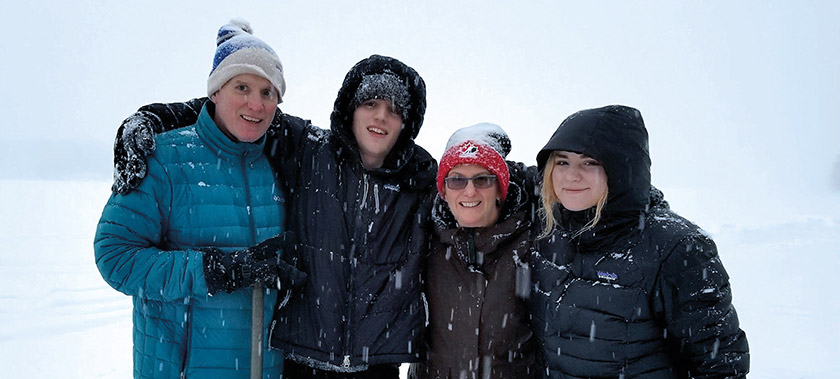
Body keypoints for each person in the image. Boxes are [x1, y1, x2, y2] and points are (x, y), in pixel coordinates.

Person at [109, 54, 435, 378]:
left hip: (377, 368)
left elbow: (469, 206)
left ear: (408, 123)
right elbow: (238, 110)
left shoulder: (421, 181)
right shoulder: (308, 150)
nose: (381, 117)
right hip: (299, 363)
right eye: (371, 104)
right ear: (350, 108)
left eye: (394, 111)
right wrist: (152, 118)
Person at [95, 19, 304, 378]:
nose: (255, 104)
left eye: (268, 92)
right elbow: (115, 255)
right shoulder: (162, 157)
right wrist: (212, 271)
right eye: (242, 87)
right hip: (179, 368)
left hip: (261, 369)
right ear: (215, 92)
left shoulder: (282, 162)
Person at [529, 105, 750, 378]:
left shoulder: (677, 248)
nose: (571, 175)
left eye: (590, 162)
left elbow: (720, 366)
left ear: (622, 168)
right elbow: (491, 184)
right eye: (562, 161)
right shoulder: (550, 227)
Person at [408, 123, 538, 379]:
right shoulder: (423, 239)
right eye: (456, 179)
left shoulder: (533, 241)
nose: (469, 191)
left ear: (501, 188)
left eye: (483, 179)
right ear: (443, 191)